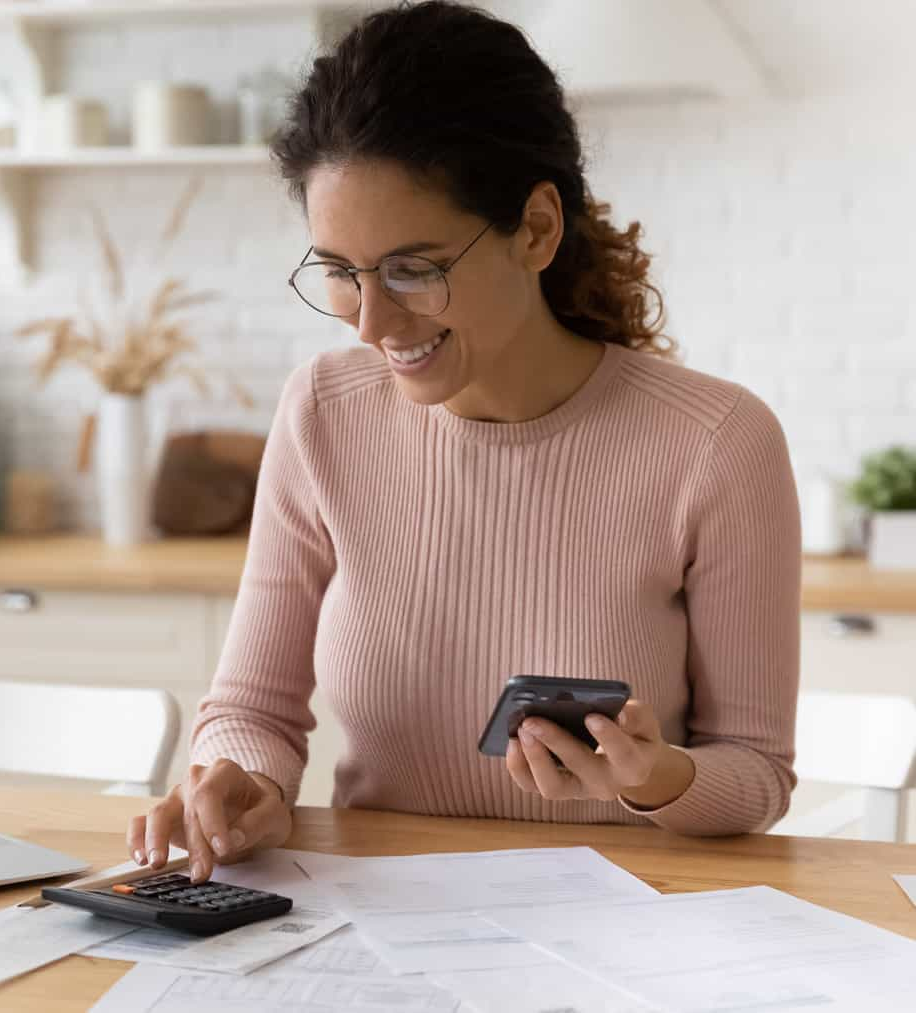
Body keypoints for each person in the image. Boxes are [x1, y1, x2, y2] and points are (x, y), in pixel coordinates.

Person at [127, 0, 801, 884]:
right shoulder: (323, 412)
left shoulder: (715, 442)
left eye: (414, 269)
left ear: (536, 228)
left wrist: (659, 778)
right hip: (374, 921)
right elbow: (253, 706)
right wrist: (241, 779)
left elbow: (755, 771)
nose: (371, 323)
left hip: (627, 924)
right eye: (338, 272)